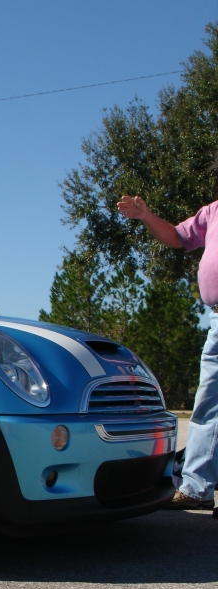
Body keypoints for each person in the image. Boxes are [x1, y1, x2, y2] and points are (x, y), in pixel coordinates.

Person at [117, 192, 218, 512]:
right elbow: (177, 236)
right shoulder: (213, 212)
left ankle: (197, 485)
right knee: (209, 405)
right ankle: (197, 487)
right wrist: (145, 216)